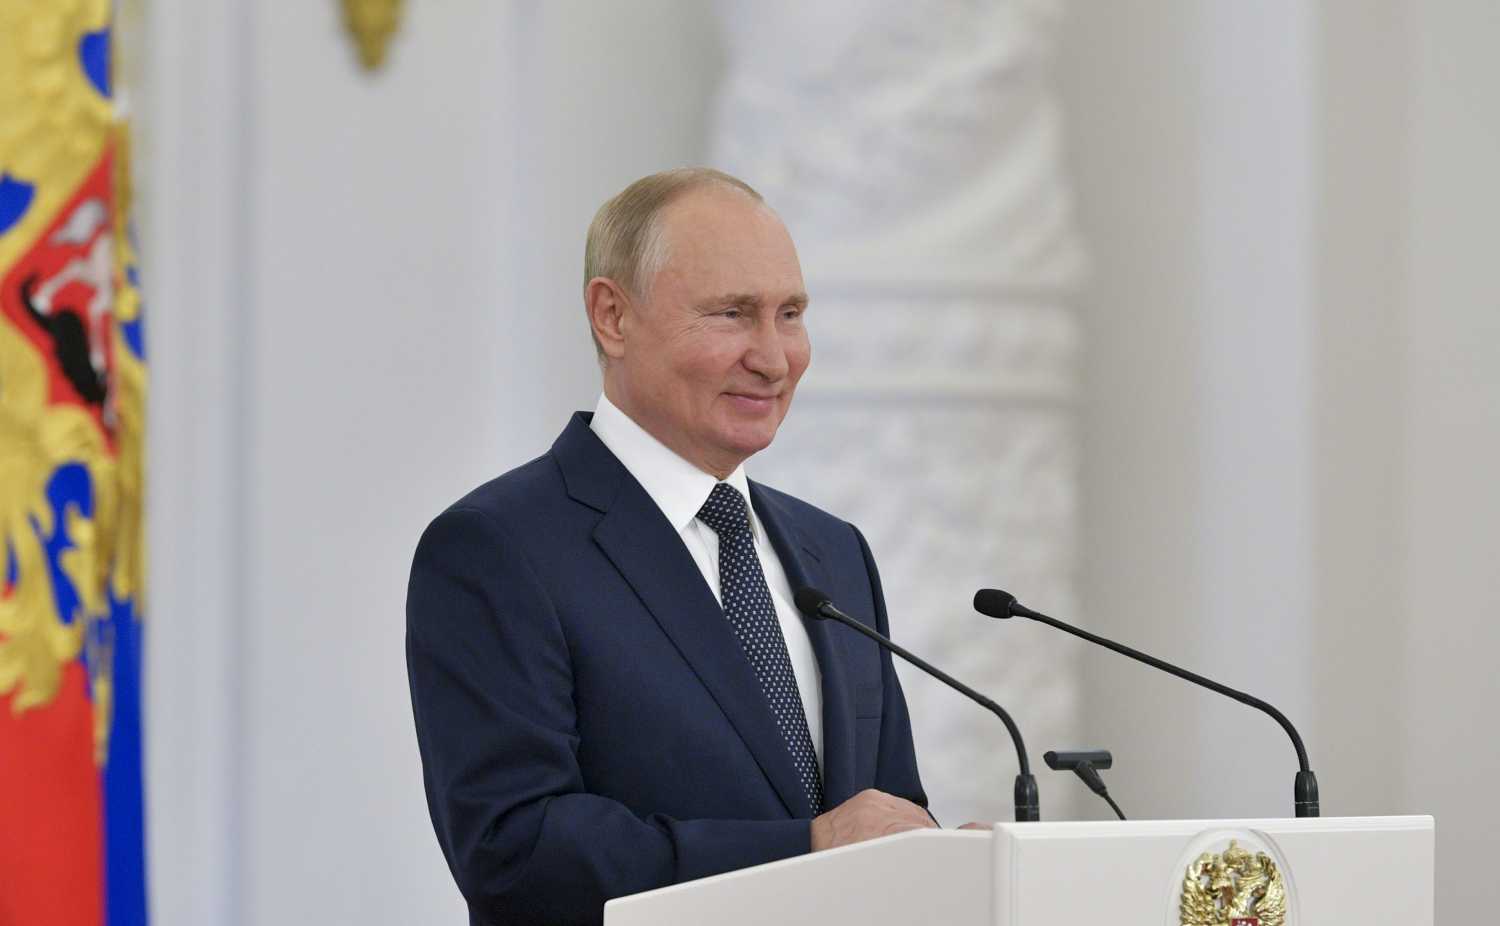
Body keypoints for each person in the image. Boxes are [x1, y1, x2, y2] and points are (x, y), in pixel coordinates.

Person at [407, 168, 935, 926]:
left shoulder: (834, 552)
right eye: (732, 314)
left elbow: (884, 816)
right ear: (612, 317)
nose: (774, 358)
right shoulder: (497, 548)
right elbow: (515, 851)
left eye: (790, 314)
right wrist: (806, 847)